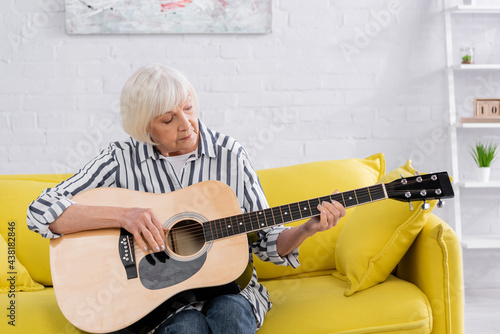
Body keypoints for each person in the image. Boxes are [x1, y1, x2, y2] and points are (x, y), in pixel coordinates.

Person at [27, 64, 346, 334]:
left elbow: (264, 242)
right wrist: (123, 216)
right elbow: (40, 210)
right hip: (159, 300)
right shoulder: (120, 159)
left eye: (189, 108)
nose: (186, 124)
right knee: (187, 326)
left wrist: (306, 229)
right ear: (145, 126)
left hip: (231, 288)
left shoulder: (228, 155)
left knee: (230, 316)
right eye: (168, 119)